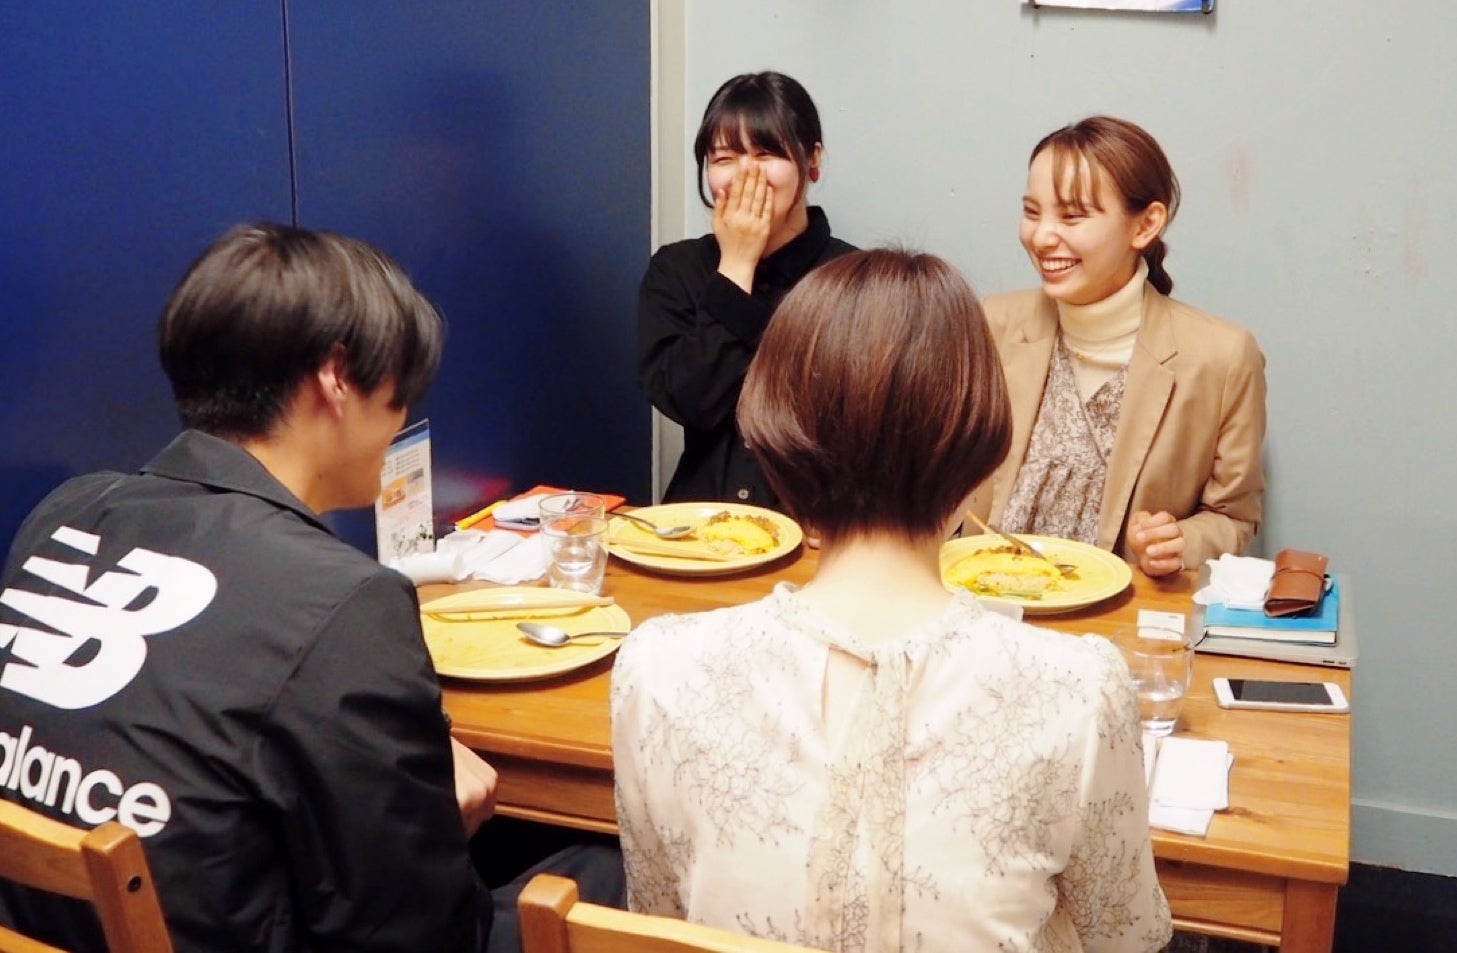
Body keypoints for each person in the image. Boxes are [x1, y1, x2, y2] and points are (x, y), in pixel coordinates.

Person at [0, 224, 620, 952]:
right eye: (401, 392)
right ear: (337, 376)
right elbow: (419, 930)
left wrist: (405, 762)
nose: (401, 420)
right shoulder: (344, 600)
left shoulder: (67, 512)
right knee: (611, 867)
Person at [613, 249, 1171, 953]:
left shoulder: (657, 671)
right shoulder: (1079, 690)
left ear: (776, 442)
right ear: (976, 455)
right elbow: (1124, 938)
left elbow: (660, 917)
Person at [966, 116, 1266, 577]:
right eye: (1032, 212)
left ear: (1145, 225)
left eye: (1071, 216)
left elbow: (1234, 518)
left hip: (1119, 615)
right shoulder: (991, 324)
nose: (1042, 237)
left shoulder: (1222, 357)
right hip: (984, 601)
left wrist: (1180, 541)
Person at [638, 70, 856, 506]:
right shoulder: (677, 269)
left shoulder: (857, 279)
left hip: (819, 527)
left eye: (767, 153)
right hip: (700, 523)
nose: (746, 174)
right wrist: (737, 265)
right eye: (724, 158)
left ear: (812, 159)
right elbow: (689, 402)